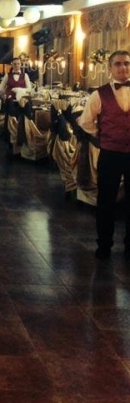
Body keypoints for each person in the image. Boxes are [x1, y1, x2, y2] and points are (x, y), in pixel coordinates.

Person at [78, 50, 130, 260]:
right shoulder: (98, 94)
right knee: (106, 201)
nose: (123, 67)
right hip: (110, 154)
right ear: (110, 68)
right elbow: (85, 122)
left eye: (127, 63)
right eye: (118, 64)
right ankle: (104, 245)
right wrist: (103, 136)